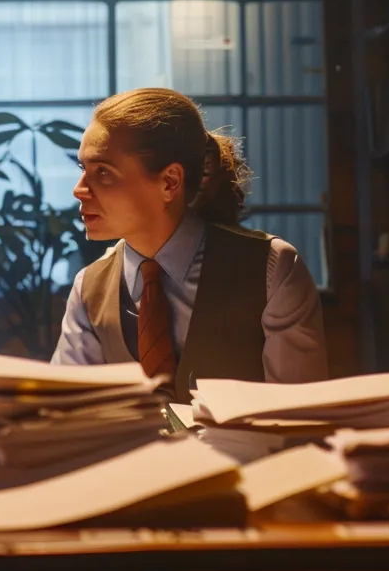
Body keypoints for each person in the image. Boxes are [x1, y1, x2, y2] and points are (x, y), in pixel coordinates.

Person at [52, 88, 331, 402]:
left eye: (103, 172)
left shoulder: (271, 270)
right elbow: (66, 417)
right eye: (83, 170)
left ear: (169, 182)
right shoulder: (89, 287)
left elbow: (297, 420)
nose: (79, 190)